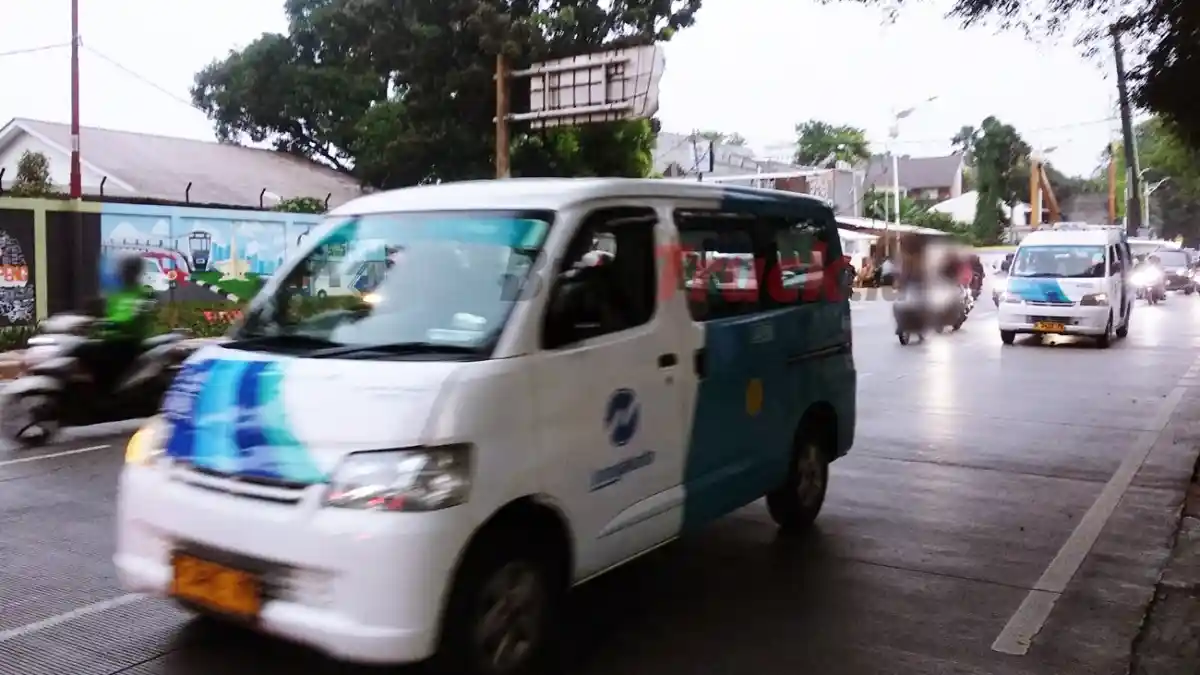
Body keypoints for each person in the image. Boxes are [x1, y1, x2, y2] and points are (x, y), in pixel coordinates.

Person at [84, 253, 156, 391]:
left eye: (127, 269)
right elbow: (103, 311)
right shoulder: (116, 293)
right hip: (109, 340)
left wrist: (109, 323)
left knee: (89, 353)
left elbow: (133, 317)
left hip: (128, 341)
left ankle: (105, 392)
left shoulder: (143, 293)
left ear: (135, 271)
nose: (123, 272)